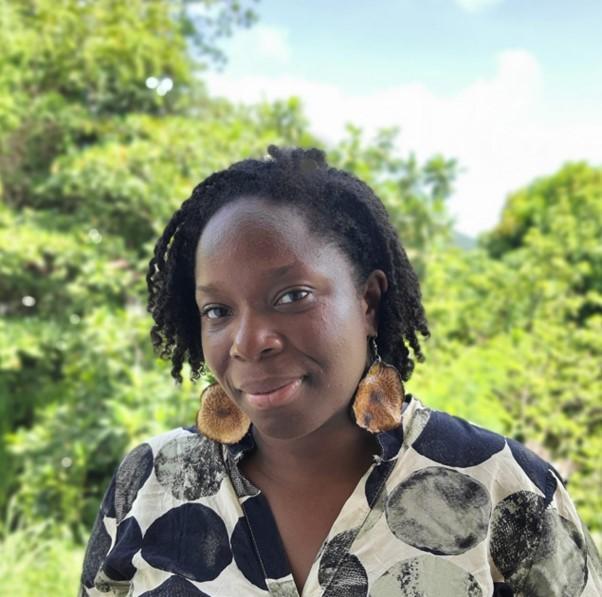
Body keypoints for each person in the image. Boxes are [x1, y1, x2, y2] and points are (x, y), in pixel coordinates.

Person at [79, 146, 601, 597]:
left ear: (369, 301)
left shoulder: (501, 487)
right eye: (218, 311)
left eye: (292, 296)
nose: (248, 341)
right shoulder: (150, 483)